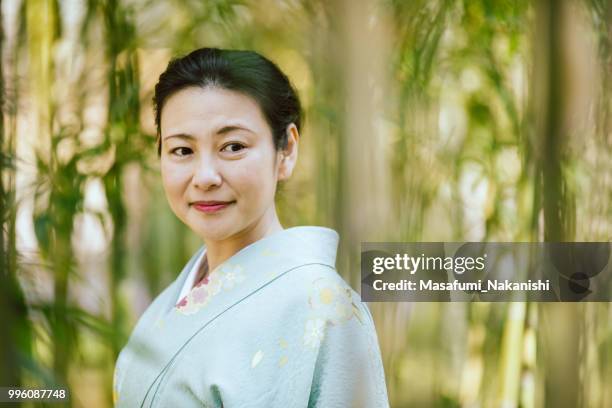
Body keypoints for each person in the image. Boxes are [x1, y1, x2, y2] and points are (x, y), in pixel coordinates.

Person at [113, 47, 389, 407]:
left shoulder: (326, 311)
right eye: (182, 150)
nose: (205, 176)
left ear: (286, 150)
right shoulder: (174, 300)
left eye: (233, 146)